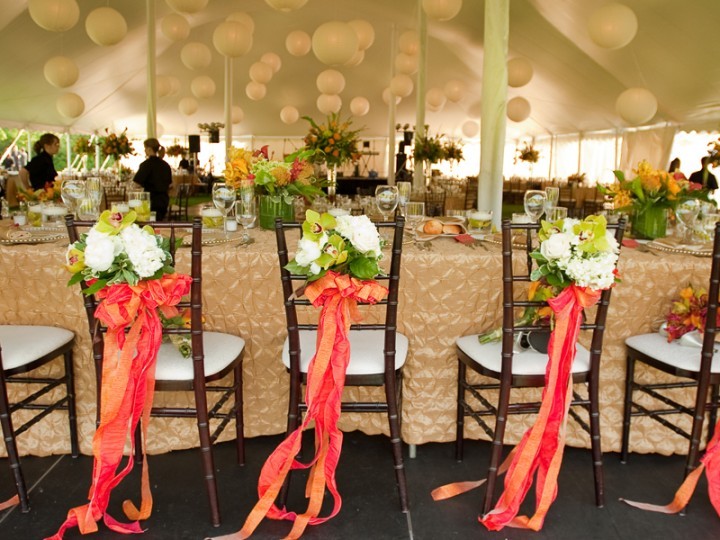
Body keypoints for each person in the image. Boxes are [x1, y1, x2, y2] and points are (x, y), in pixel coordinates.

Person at [133, 138, 172, 220]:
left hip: (150, 202)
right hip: (164, 201)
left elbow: (136, 183)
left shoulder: (146, 165)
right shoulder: (165, 165)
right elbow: (170, 184)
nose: (144, 150)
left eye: (145, 148)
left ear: (149, 149)